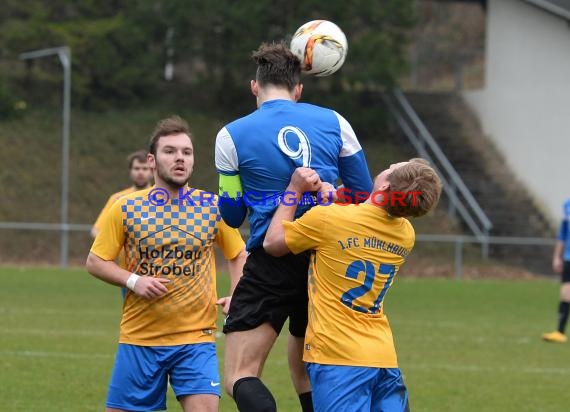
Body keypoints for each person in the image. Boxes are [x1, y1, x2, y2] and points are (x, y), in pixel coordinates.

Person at [215, 41, 373, 412]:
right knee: (306, 372)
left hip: (273, 255)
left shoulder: (230, 135)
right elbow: (363, 194)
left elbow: (233, 215)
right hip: (327, 258)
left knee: (240, 374)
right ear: (298, 90)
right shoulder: (336, 122)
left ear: (255, 86)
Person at [86, 115, 247, 412]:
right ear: (152, 160)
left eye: (186, 152)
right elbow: (96, 261)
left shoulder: (213, 207)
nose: (179, 158)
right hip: (140, 340)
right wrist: (134, 281)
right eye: (170, 151)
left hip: (195, 340)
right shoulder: (125, 207)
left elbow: (238, 254)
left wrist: (236, 295)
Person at [263, 159, 442, 412]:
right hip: (383, 357)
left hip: (337, 357)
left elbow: (273, 243)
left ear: (385, 187)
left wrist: (294, 189)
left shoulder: (329, 219)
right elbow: (361, 220)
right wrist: (336, 197)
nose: (387, 165)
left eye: (391, 169)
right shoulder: (405, 234)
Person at [91, 149, 152, 238]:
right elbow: (96, 230)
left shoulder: (160, 198)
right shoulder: (118, 198)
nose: (140, 172)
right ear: (130, 171)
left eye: (145, 168)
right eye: (136, 168)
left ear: (153, 172)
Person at [542, 199, 570, 343]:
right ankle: (560, 332)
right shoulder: (567, 206)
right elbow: (563, 235)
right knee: (565, 294)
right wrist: (556, 256)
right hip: (568, 258)